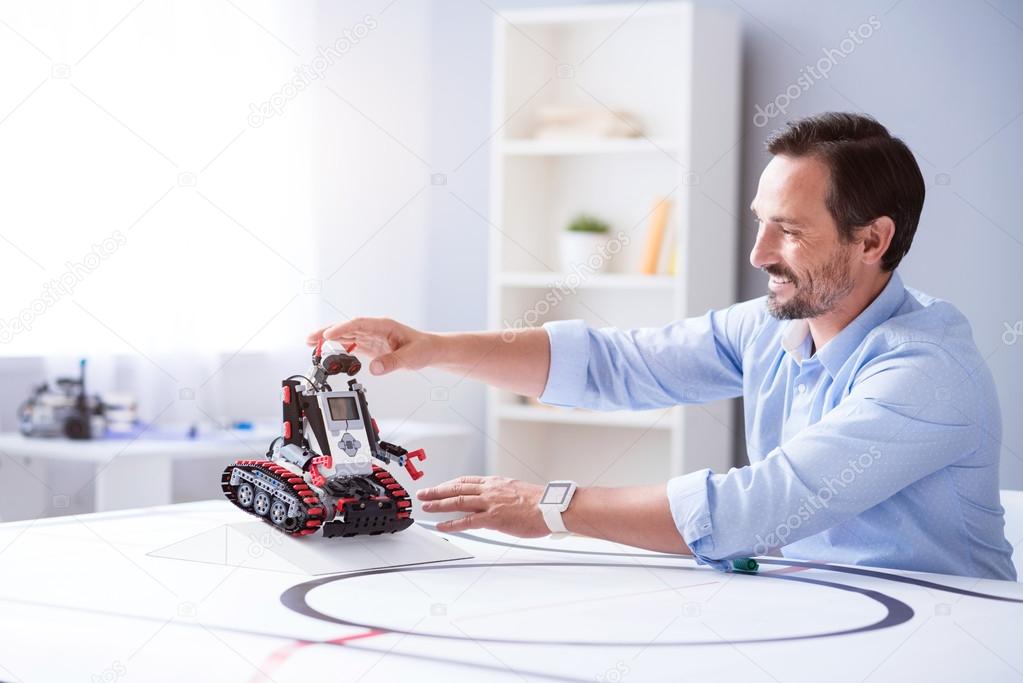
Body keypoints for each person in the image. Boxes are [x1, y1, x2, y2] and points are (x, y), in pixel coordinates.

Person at [308, 112, 1016, 581]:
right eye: (759, 223)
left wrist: (551, 505)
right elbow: (618, 363)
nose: (757, 253)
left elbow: (760, 505)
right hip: (828, 608)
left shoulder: (926, 373)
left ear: (872, 239)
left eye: (789, 232)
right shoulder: (773, 326)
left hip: (942, 629)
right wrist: (430, 347)